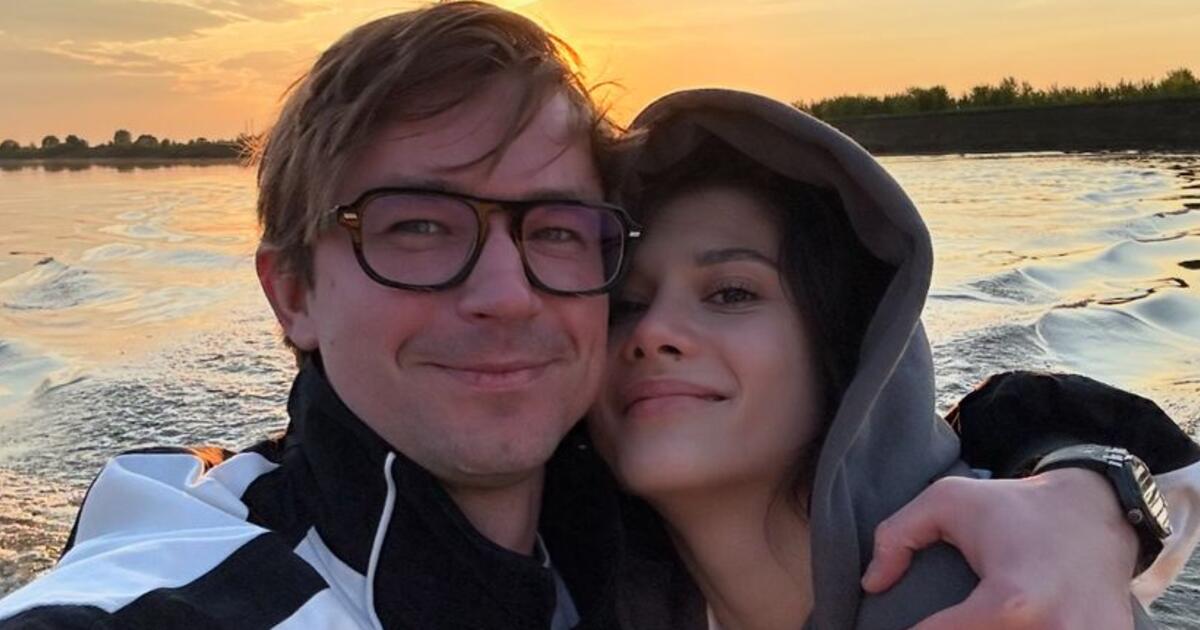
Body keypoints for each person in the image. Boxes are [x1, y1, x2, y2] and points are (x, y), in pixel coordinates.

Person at [0, 3, 1194, 628]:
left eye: (560, 233)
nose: (507, 293)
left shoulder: (619, 528)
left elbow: (1012, 423)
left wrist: (1095, 489)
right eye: (416, 226)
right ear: (292, 293)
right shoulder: (203, 581)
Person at [590, 88, 1200, 629]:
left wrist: (1096, 480)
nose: (653, 331)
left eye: (731, 293)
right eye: (625, 305)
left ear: (850, 344)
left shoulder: (1008, 603)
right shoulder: (595, 586)